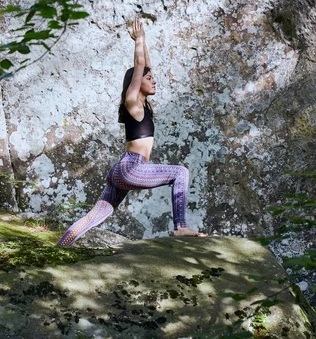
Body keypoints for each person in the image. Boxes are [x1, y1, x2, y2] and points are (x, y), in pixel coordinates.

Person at [57, 20, 207, 247]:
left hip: (122, 171)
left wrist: (144, 42)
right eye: (148, 78)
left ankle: (59, 247)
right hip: (131, 168)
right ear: (135, 84)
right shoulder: (133, 103)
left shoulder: (143, 106)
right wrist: (139, 40)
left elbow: (145, 66)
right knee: (180, 172)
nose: (153, 79)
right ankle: (180, 227)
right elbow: (139, 65)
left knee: (96, 215)